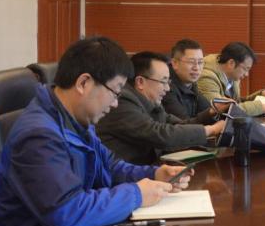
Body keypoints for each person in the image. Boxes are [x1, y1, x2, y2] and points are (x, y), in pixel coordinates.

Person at [0, 37, 192, 226]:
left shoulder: (76, 120)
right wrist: (136, 194)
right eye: (115, 92)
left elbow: (110, 166)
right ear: (84, 83)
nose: (115, 104)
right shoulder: (39, 136)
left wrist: (153, 174)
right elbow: (65, 212)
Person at [97, 51, 226, 165]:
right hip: (122, 178)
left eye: (168, 82)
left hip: (146, 171)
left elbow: (177, 125)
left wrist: (211, 112)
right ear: (140, 82)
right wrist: (211, 130)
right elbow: (159, 134)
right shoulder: (122, 101)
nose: (167, 88)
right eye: (163, 82)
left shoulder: (150, 101)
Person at [197, 41, 265, 117]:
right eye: (245, 69)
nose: (246, 74)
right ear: (231, 63)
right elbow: (222, 108)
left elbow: (235, 102)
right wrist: (260, 107)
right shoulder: (206, 77)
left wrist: (259, 96)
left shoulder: (232, 75)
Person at [162, 38, 227, 121]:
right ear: (175, 63)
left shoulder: (191, 84)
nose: (196, 68)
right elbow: (183, 123)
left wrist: (222, 109)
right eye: (191, 62)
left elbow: (207, 110)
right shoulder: (165, 87)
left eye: (200, 62)